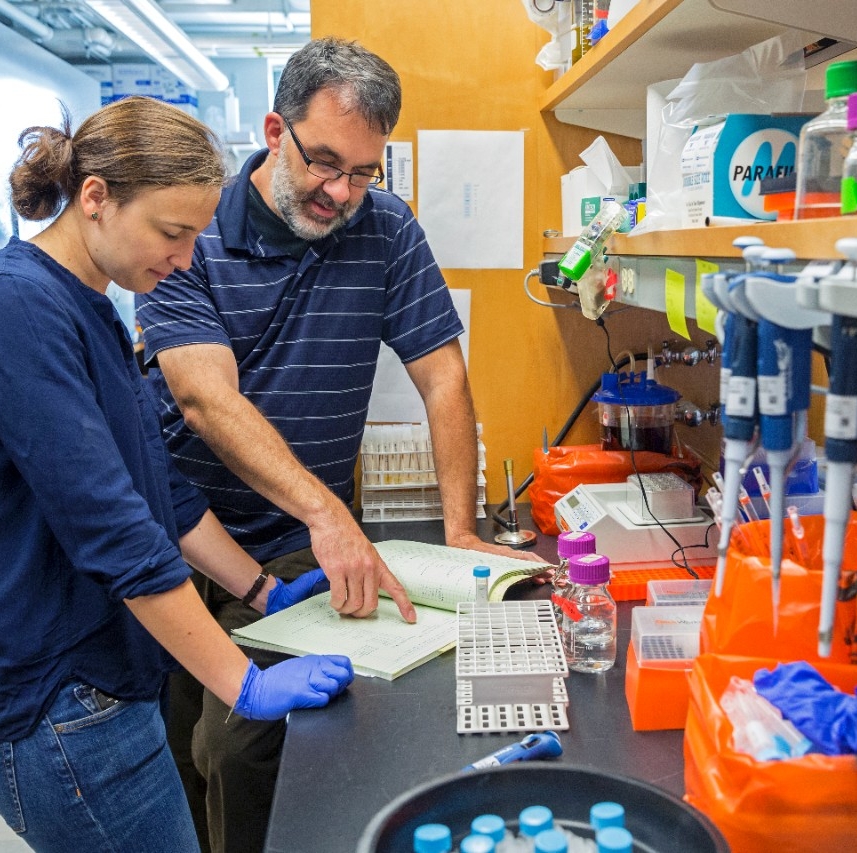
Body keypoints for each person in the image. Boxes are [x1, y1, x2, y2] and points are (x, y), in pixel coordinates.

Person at [135, 36, 539, 853]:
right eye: (324, 162)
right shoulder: (194, 230)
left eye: (363, 172)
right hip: (180, 535)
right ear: (274, 130)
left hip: (293, 547)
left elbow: (442, 379)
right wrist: (330, 513)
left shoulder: (384, 229)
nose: (339, 192)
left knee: (240, 745)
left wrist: (460, 532)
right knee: (175, 750)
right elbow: (204, 398)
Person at [0, 96, 354, 853]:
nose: (188, 259)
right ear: (94, 198)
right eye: (173, 232)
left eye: (197, 234)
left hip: (113, 683)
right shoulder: (19, 308)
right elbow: (116, 529)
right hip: (62, 703)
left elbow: (154, 482)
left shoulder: (92, 304)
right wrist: (244, 684)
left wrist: (260, 588)